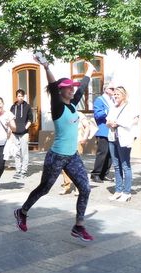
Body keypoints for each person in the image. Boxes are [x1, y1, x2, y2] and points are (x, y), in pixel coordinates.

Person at [14, 58, 96, 241]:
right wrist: (45, 66)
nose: (71, 89)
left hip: (72, 156)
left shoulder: (73, 104)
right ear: (60, 90)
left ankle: (79, 225)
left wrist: (90, 71)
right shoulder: (58, 107)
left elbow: (82, 87)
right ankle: (22, 212)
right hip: (57, 156)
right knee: (44, 188)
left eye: (71, 87)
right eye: (68, 87)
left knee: (85, 188)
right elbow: (52, 85)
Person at [106, 86, 139, 202]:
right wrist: (110, 123)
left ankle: (127, 192)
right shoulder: (113, 107)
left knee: (125, 165)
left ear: (123, 95)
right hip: (112, 138)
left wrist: (118, 123)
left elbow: (135, 121)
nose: (115, 96)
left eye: (117, 95)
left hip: (123, 139)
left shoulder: (129, 107)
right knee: (116, 166)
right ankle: (118, 190)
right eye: (114, 95)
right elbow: (107, 121)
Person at [59, 111, 90, 195]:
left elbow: (87, 126)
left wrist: (85, 137)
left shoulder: (79, 114)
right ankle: (66, 186)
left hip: (77, 141)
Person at [90, 83, 115, 183]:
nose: (114, 90)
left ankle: (104, 174)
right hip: (103, 130)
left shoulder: (113, 100)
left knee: (110, 154)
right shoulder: (99, 100)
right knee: (102, 153)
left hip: (112, 130)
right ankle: (95, 174)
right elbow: (97, 115)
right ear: (105, 89)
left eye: (114, 89)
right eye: (111, 88)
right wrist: (107, 111)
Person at [10, 89, 33, 179]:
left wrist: (25, 128)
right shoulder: (13, 107)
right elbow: (10, 119)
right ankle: (18, 170)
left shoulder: (27, 106)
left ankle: (24, 171)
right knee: (16, 152)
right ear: (16, 97)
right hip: (14, 133)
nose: (20, 97)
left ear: (24, 97)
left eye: (22, 96)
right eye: (19, 96)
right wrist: (11, 129)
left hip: (24, 133)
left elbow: (30, 119)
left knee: (24, 152)